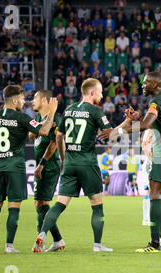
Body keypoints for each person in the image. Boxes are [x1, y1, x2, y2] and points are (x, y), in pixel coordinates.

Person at [100, 71, 161, 253]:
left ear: (155, 84)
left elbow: (147, 125)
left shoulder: (156, 102)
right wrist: (138, 118)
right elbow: (158, 121)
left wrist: (116, 132)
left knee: (154, 192)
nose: (142, 84)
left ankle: (155, 244)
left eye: (146, 82)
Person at [32, 78, 113, 253]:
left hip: (69, 163)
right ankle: (98, 245)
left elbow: (59, 136)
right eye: (99, 92)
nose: (101, 95)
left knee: (60, 204)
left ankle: (43, 235)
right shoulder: (96, 111)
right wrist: (128, 124)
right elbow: (110, 134)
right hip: (87, 162)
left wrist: (63, 158)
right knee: (97, 204)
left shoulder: (68, 110)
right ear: (92, 93)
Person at [0, 85, 57, 253]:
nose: (24, 101)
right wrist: (52, 113)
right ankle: (9, 246)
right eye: (21, 99)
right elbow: (43, 131)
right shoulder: (22, 118)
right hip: (15, 167)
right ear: (14, 101)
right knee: (14, 206)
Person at [30, 90, 65, 252]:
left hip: (48, 166)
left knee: (41, 203)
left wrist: (42, 163)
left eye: (35, 98)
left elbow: (53, 143)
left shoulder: (56, 119)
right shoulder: (39, 118)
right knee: (40, 203)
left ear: (44, 100)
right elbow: (31, 134)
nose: (32, 101)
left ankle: (42, 238)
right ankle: (56, 240)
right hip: (41, 165)